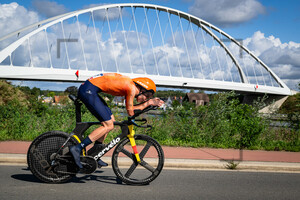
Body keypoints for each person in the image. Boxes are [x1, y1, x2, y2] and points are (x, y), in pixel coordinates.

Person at [70, 73, 164, 169]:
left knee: (112, 121)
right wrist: (148, 103)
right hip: (88, 90)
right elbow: (130, 112)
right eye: (147, 95)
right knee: (108, 125)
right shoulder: (131, 88)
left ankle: (95, 153)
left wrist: (148, 103)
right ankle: (77, 148)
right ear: (141, 88)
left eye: (149, 97)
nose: (146, 98)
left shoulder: (130, 85)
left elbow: (133, 109)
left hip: (90, 89)